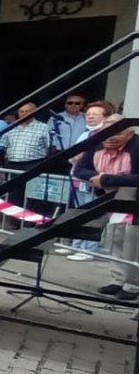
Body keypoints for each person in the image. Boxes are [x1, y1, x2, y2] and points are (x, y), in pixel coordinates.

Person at [72, 114, 138, 301]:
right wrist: (97, 177)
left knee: (132, 241)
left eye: (117, 132)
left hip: (134, 199)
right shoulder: (97, 144)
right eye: (107, 132)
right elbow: (79, 169)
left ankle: (133, 285)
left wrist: (108, 179)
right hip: (109, 198)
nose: (111, 137)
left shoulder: (137, 146)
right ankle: (117, 279)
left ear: (129, 134)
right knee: (114, 237)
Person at [67, 101, 113, 260]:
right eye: (88, 114)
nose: (90, 117)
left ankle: (89, 249)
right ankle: (77, 245)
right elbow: (73, 154)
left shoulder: (108, 136)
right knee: (79, 213)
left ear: (106, 117)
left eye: (95, 114)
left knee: (93, 215)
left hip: (94, 179)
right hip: (78, 178)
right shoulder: (85, 134)